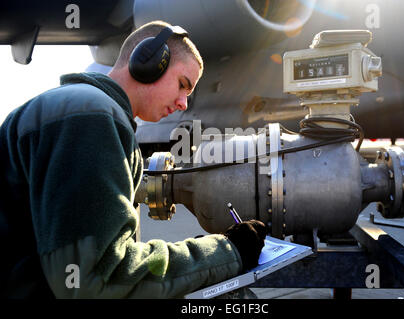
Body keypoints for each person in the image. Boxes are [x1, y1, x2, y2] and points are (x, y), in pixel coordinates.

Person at [0, 20, 266, 298]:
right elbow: (98, 280)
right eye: (182, 85)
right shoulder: (90, 118)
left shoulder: (80, 108)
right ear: (148, 62)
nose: (183, 104)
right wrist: (226, 252)